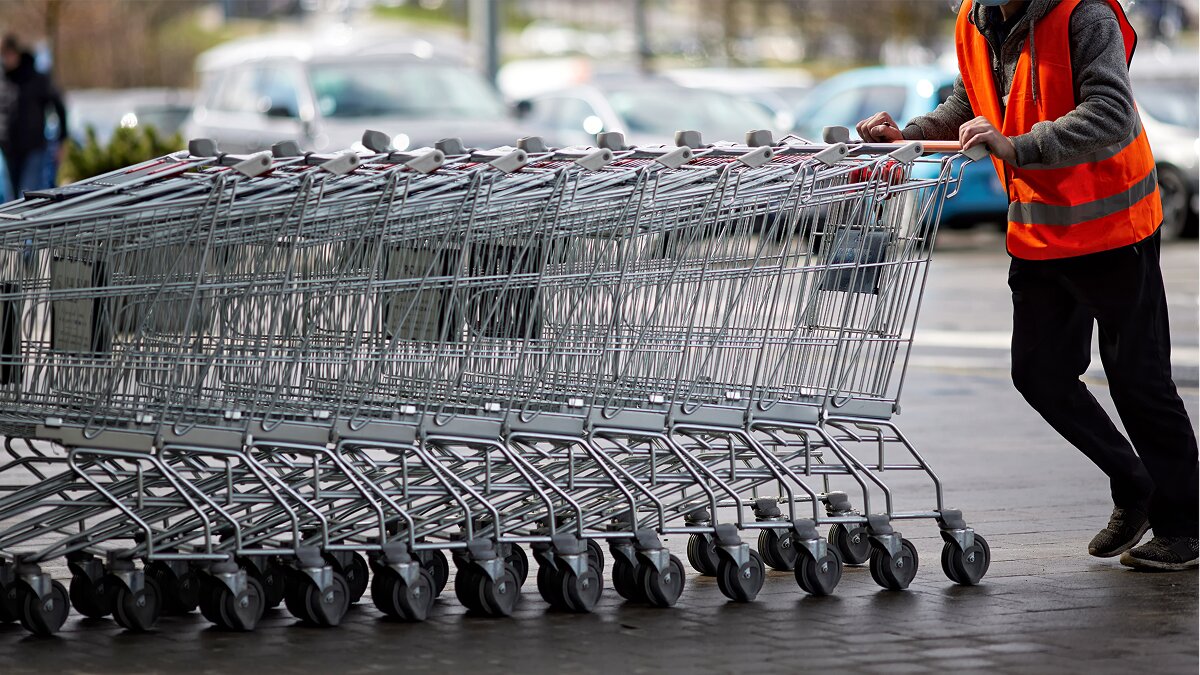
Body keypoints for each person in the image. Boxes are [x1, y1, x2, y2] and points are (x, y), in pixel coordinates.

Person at [857, 0, 1198, 571]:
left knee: (1139, 380)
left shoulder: (1083, 15)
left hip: (1115, 227)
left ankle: (1186, 526)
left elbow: (1111, 111)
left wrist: (1019, 146)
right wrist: (911, 135)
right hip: (1041, 230)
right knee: (1038, 372)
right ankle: (1136, 483)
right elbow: (972, 101)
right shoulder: (975, 17)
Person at [0, 34, 67, 200]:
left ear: (16, 53)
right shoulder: (3, 80)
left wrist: (61, 138)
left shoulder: (36, 78)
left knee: (26, 194)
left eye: (8, 54)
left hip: (33, 148)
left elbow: (59, 105)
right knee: (11, 200)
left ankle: (28, 227)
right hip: (8, 149)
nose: (6, 59)